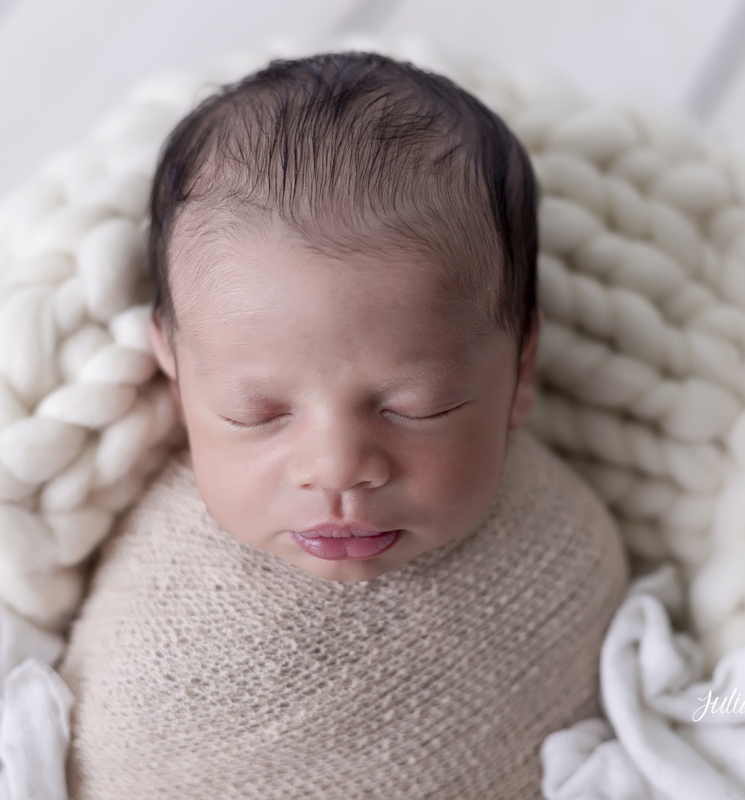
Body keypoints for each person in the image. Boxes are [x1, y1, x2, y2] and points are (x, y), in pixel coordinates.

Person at [59, 50, 629, 798]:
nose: (336, 467)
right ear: (173, 372)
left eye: (414, 406)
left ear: (520, 370)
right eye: (255, 413)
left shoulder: (565, 557)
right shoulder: (152, 585)